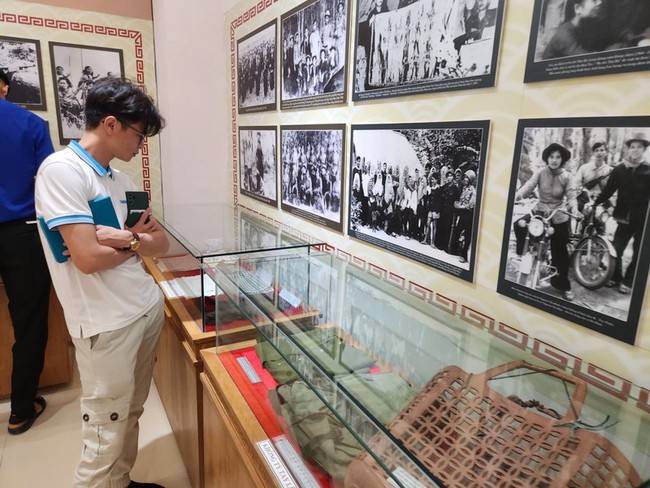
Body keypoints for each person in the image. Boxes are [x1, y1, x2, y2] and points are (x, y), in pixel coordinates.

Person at [34, 76, 169, 488]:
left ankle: (121, 482)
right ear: (111, 124)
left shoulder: (119, 180)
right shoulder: (62, 171)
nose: (140, 145)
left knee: (131, 413)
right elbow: (89, 260)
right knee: (103, 431)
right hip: (105, 324)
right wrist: (133, 241)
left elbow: (160, 243)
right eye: (139, 134)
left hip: (142, 308)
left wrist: (123, 237)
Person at [0, 69, 54, 435]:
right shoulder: (30, 124)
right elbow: (49, 182)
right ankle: (20, 410)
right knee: (29, 322)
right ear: (3, 87)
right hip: (21, 234)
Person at [514, 143, 579, 300]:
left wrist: (574, 209)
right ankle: (524, 254)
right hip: (539, 211)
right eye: (551, 156)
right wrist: (516, 196)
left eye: (558, 157)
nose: (554, 160)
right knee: (518, 225)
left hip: (558, 215)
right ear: (547, 158)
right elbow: (528, 186)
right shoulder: (540, 173)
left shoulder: (567, 176)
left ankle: (562, 284)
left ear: (562, 159)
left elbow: (571, 196)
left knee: (560, 251)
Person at [590, 132, 650, 295]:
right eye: (632, 147)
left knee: (640, 252)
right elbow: (609, 190)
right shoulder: (620, 169)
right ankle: (616, 277)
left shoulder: (648, 169)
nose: (635, 150)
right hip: (624, 217)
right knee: (616, 248)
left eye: (639, 147)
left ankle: (628, 281)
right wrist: (595, 203)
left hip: (644, 219)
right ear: (629, 149)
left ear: (644, 149)